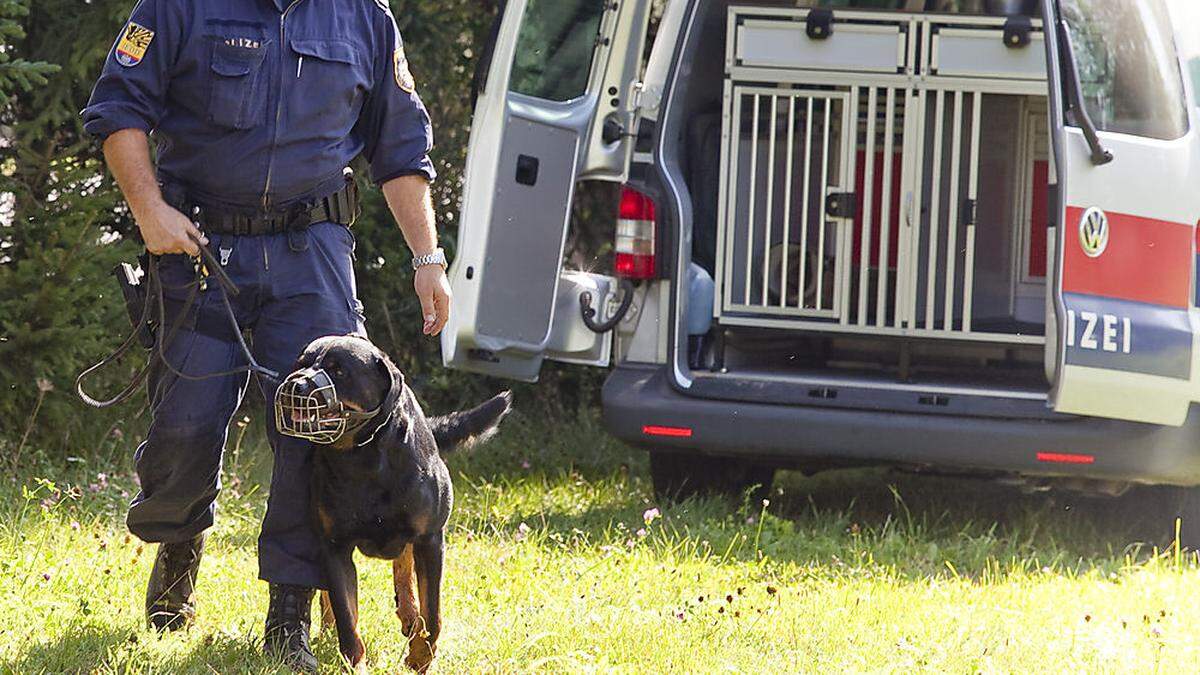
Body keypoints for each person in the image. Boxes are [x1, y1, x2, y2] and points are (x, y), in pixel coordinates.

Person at [81, 0, 450, 670]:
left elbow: (400, 145)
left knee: (316, 430)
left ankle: (290, 613)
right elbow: (119, 105)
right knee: (184, 427)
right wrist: (148, 209)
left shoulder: (364, 17)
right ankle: (181, 533)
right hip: (197, 246)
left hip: (313, 253)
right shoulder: (178, 6)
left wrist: (428, 260)